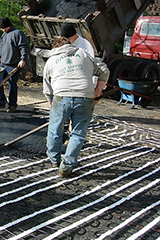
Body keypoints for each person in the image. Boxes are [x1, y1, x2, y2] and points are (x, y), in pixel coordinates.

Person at [43, 37, 109, 178]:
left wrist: (51, 101)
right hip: (85, 97)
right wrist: (97, 91)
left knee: (55, 129)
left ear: (54, 49)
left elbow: (47, 87)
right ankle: (67, 166)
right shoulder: (84, 54)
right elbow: (104, 70)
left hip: (61, 97)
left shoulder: (51, 60)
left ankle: (54, 159)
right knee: (78, 133)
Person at [0, 17, 29, 113]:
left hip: (13, 64)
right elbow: (2, 47)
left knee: (12, 84)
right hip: (3, 63)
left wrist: (23, 59)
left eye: (3, 28)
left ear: (8, 26)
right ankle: (0, 101)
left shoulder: (17, 33)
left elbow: (23, 47)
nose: (1, 30)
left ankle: (12, 105)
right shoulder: (4, 35)